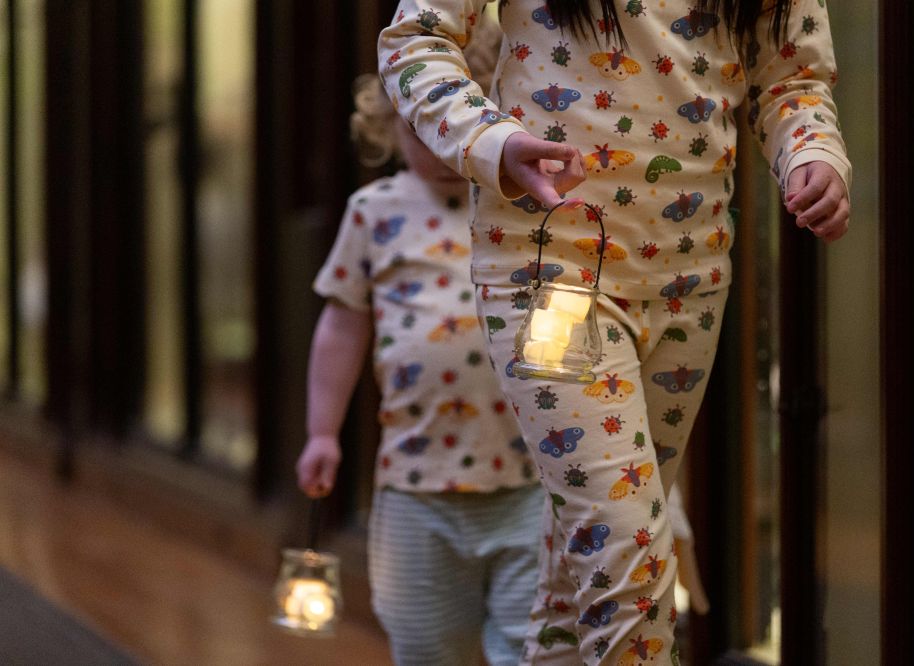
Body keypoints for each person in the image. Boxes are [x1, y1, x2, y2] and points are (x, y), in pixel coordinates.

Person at [379, 1, 851, 663]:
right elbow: (416, 40)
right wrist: (495, 141)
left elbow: (791, 78)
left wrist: (813, 155)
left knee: (582, 585)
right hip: (550, 272)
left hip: (692, 277)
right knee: (630, 567)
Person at [295, 25, 546, 665]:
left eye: (453, 125)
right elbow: (343, 324)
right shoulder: (375, 210)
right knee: (426, 643)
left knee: (530, 646)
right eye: (418, 126)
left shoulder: (521, 207)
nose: (437, 144)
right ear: (387, 126)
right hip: (416, 482)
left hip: (530, 477)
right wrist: (323, 431)